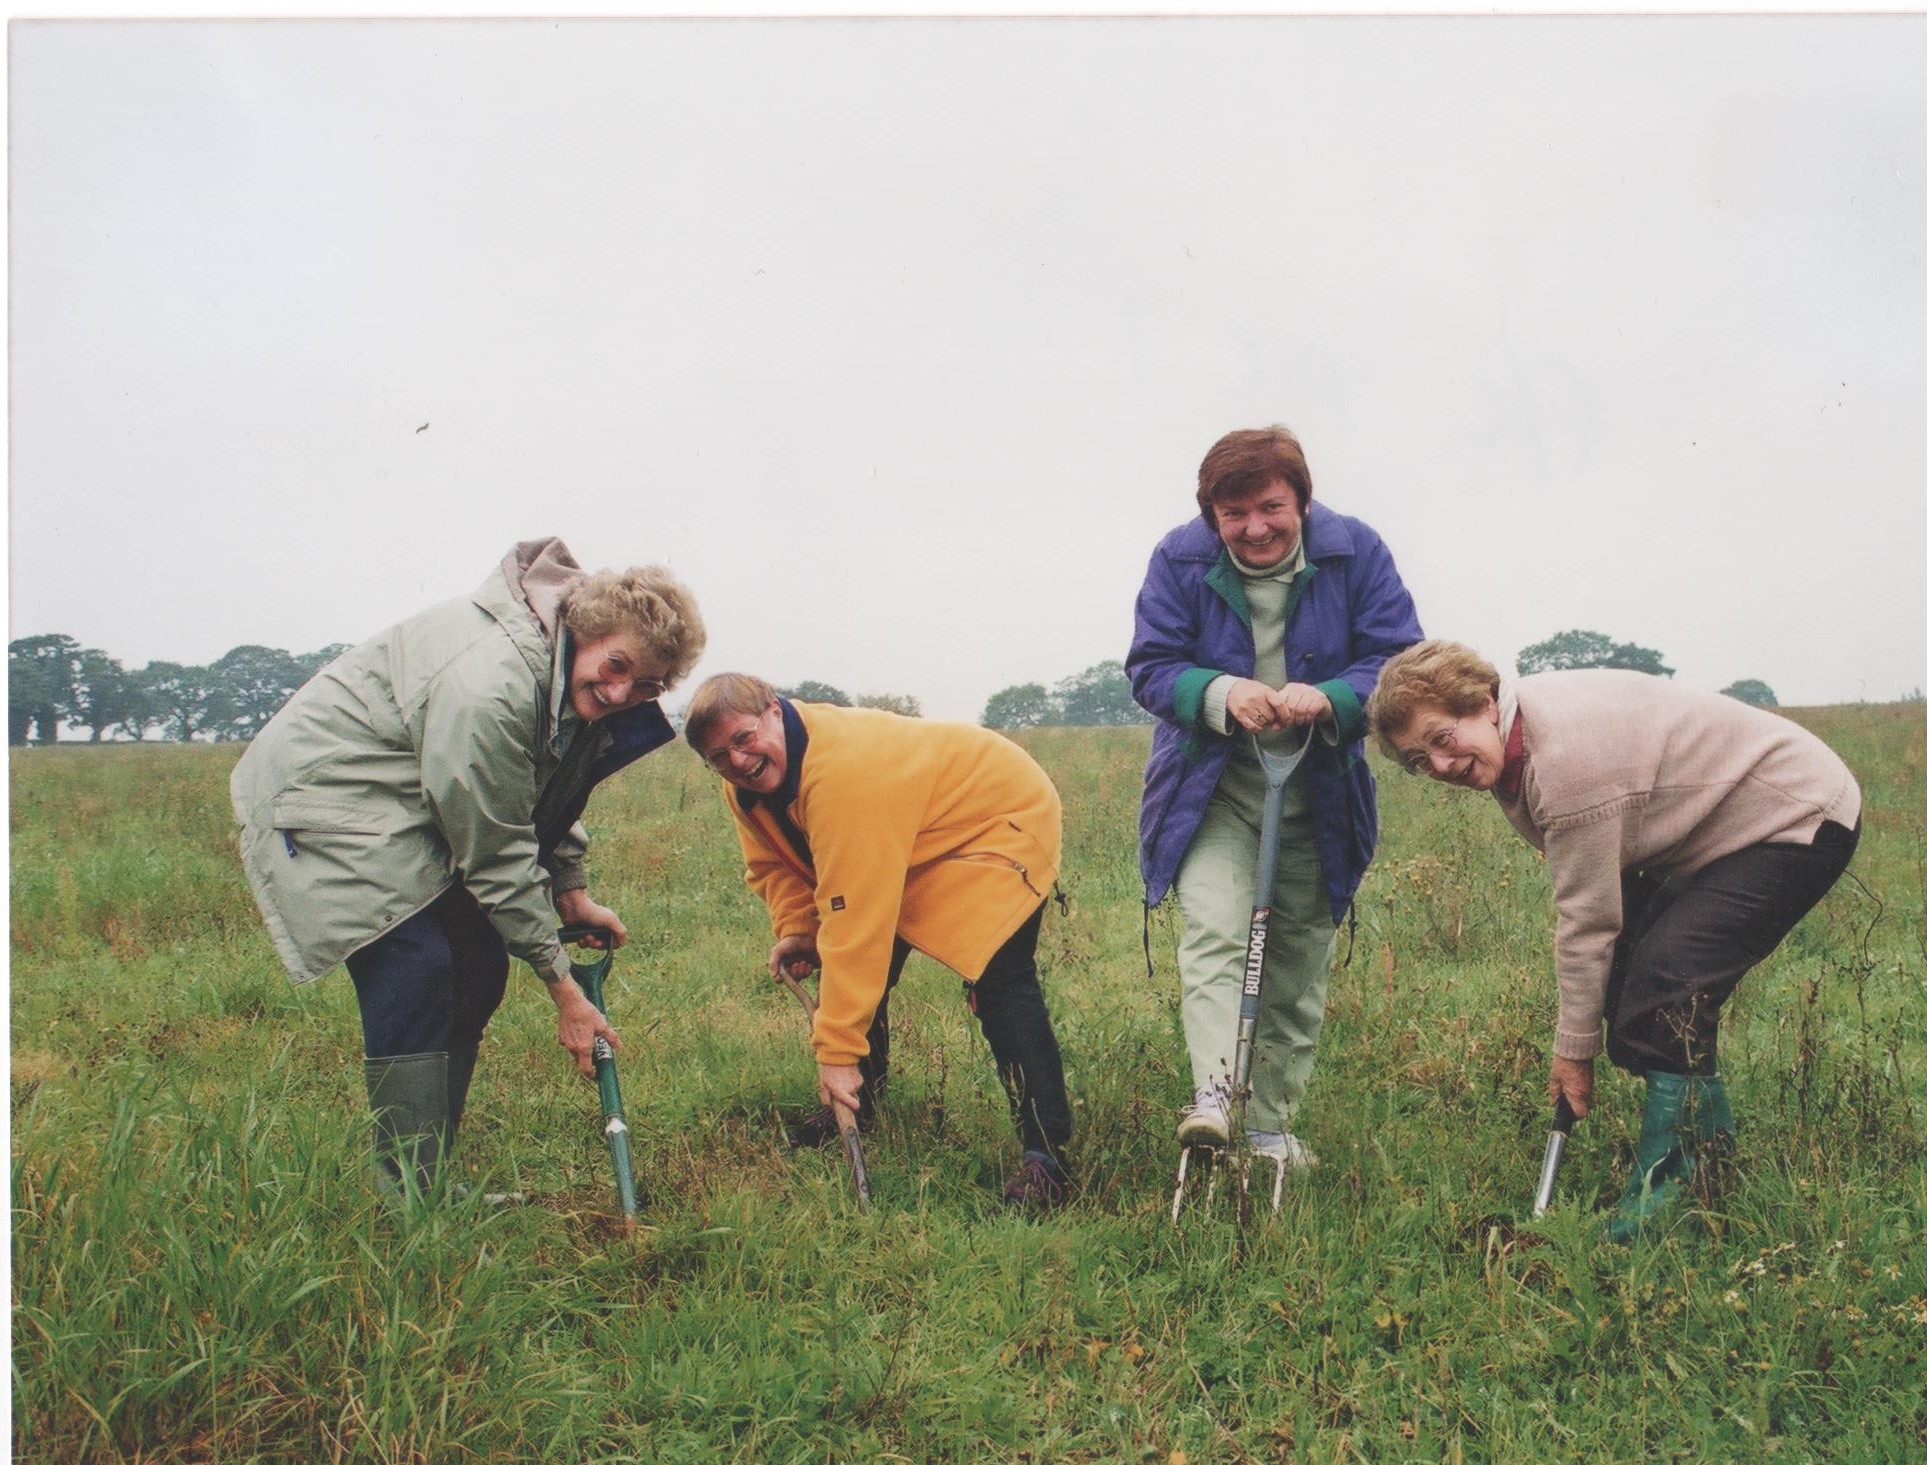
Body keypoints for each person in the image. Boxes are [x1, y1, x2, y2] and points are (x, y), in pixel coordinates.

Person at [230, 538, 705, 1197]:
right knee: (417, 963)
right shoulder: (492, 685)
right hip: (327, 800)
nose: (621, 691)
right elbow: (495, 850)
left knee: (478, 960)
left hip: (408, 802)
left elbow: (545, 783)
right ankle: (409, 1198)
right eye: (617, 664)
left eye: (646, 686)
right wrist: (565, 989)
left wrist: (570, 893)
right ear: (589, 631)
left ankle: (425, 1180)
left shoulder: (561, 672)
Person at [1370, 640, 1862, 1241]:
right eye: (1420, 761)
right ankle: (1703, 1156)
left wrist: (1573, 1053)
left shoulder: (1566, 763)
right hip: (1713, 827)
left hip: (1796, 814)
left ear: (1484, 701)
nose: (1441, 766)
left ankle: (1674, 1203)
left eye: (1441, 738)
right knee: (1633, 981)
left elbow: (1588, 922)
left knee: (1667, 980)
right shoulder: (1512, 745)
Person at [1127, 425, 1424, 1174]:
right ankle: (1215, 1102)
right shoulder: (1178, 559)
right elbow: (1152, 666)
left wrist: (1326, 698)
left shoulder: (1355, 551)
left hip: (1316, 791)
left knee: (1293, 964)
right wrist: (1223, 691)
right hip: (1212, 789)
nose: (1254, 528)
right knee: (1216, 935)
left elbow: (1396, 659)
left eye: (1269, 507)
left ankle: (1266, 1130)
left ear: (1300, 500)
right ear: (1211, 518)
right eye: (1234, 515)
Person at [685, 673, 1075, 1210]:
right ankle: (860, 1104)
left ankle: (1047, 1159)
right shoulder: (747, 787)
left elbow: (855, 922)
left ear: (774, 711)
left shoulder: (843, 773)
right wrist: (799, 928)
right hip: (910, 834)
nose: (737, 761)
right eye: (718, 756)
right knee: (856, 963)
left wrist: (836, 1052)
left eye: (743, 738)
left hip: (996, 820)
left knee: (999, 984)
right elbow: (772, 864)